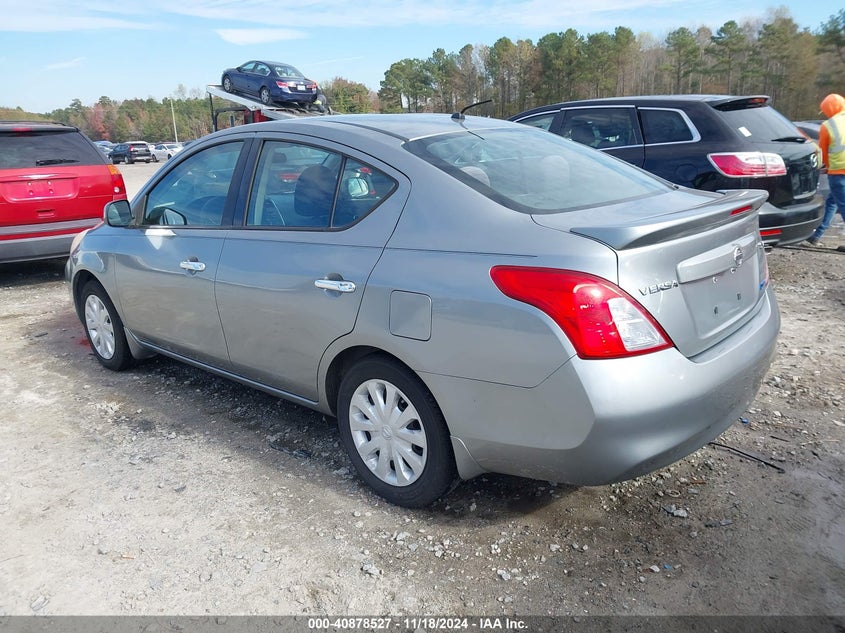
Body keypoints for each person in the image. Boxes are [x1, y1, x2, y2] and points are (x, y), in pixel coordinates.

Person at [806, 93, 845, 246]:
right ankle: (817, 234)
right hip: (839, 173)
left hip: (839, 174)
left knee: (842, 205)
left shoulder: (828, 126)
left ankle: (817, 235)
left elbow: (822, 151)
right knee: (833, 202)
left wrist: (826, 167)